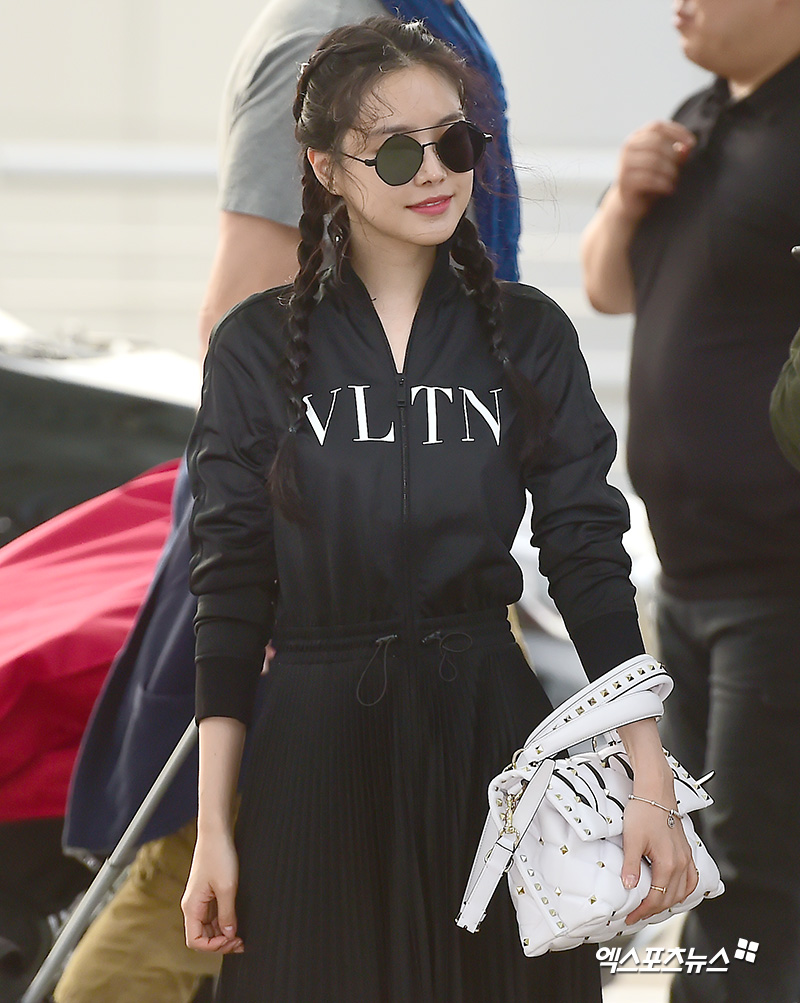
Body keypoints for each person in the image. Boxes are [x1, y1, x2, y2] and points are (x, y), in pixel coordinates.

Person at [180, 16, 697, 1002]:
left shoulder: (528, 336)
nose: (434, 172)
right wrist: (214, 827)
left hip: (489, 744)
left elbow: (588, 556)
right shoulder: (254, 348)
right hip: (316, 756)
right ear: (326, 168)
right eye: (395, 151)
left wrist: (649, 774)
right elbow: (230, 589)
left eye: (453, 142)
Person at [56, 4, 521, 1002]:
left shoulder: (413, 19)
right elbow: (245, 312)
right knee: (192, 886)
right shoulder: (335, 27)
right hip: (322, 557)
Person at [580, 3, 800, 1001]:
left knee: (752, 881)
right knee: (702, 861)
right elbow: (607, 288)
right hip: (686, 573)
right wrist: (624, 201)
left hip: (778, 582)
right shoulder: (699, 117)